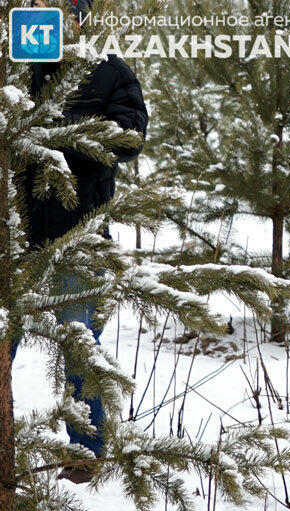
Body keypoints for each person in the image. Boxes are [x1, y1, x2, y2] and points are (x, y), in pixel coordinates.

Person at [14, 0, 148, 485]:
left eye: (65, 7)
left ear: (81, 15)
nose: (51, 15)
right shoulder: (13, 68)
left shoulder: (107, 71)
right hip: (13, 236)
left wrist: (58, 142)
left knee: (78, 345)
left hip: (78, 233)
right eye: (38, 4)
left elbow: (131, 137)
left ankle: (85, 452)